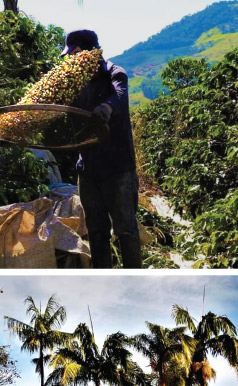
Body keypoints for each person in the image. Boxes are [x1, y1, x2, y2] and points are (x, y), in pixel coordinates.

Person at [63, 29, 142, 268]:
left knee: (125, 230)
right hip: (88, 168)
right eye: (71, 56)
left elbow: (119, 95)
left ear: (92, 53)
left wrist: (106, 108)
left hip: (118, 168)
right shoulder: (75, 81)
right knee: (97, 232)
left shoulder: (115, 74)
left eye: (77, 54)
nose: (74, 60)